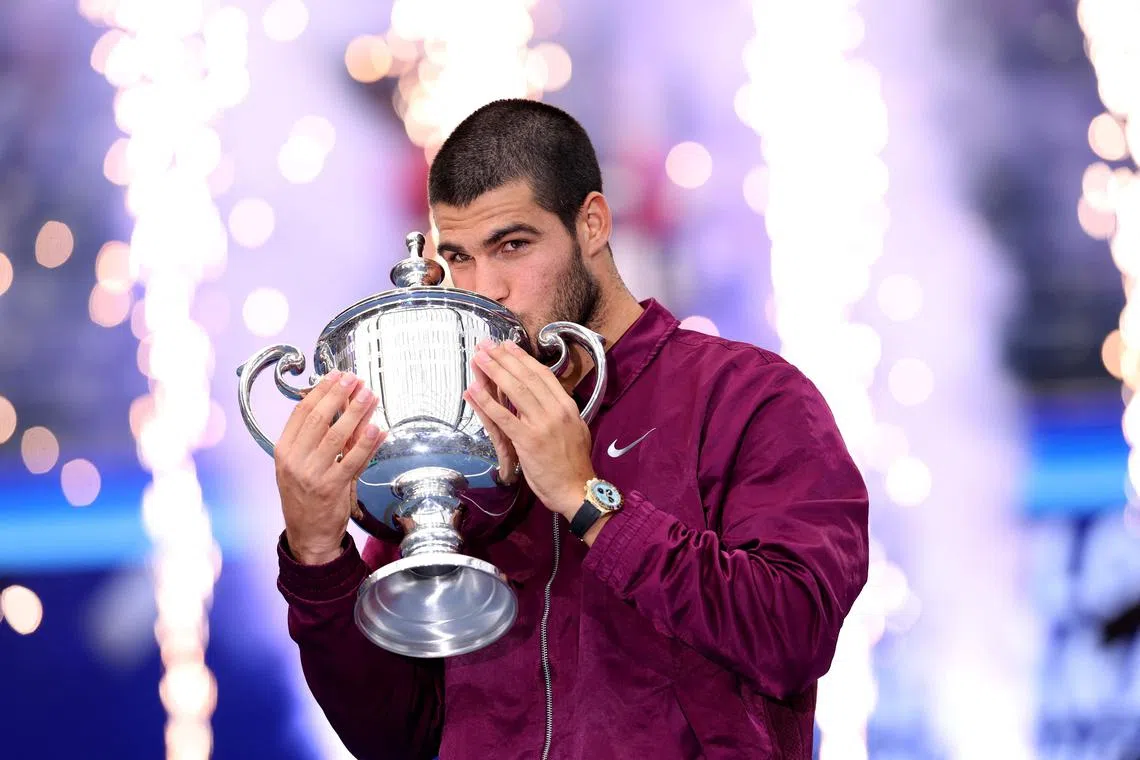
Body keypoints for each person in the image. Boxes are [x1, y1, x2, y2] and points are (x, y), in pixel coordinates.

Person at [272, 99, 869, 760]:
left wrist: (590, 499)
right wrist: (318, 558)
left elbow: (794, 634)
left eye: (513, 246)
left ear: (591, 224)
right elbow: (398, 737)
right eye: (460, 257)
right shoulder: (459, 437)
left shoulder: (747, 397)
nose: (485, 287)